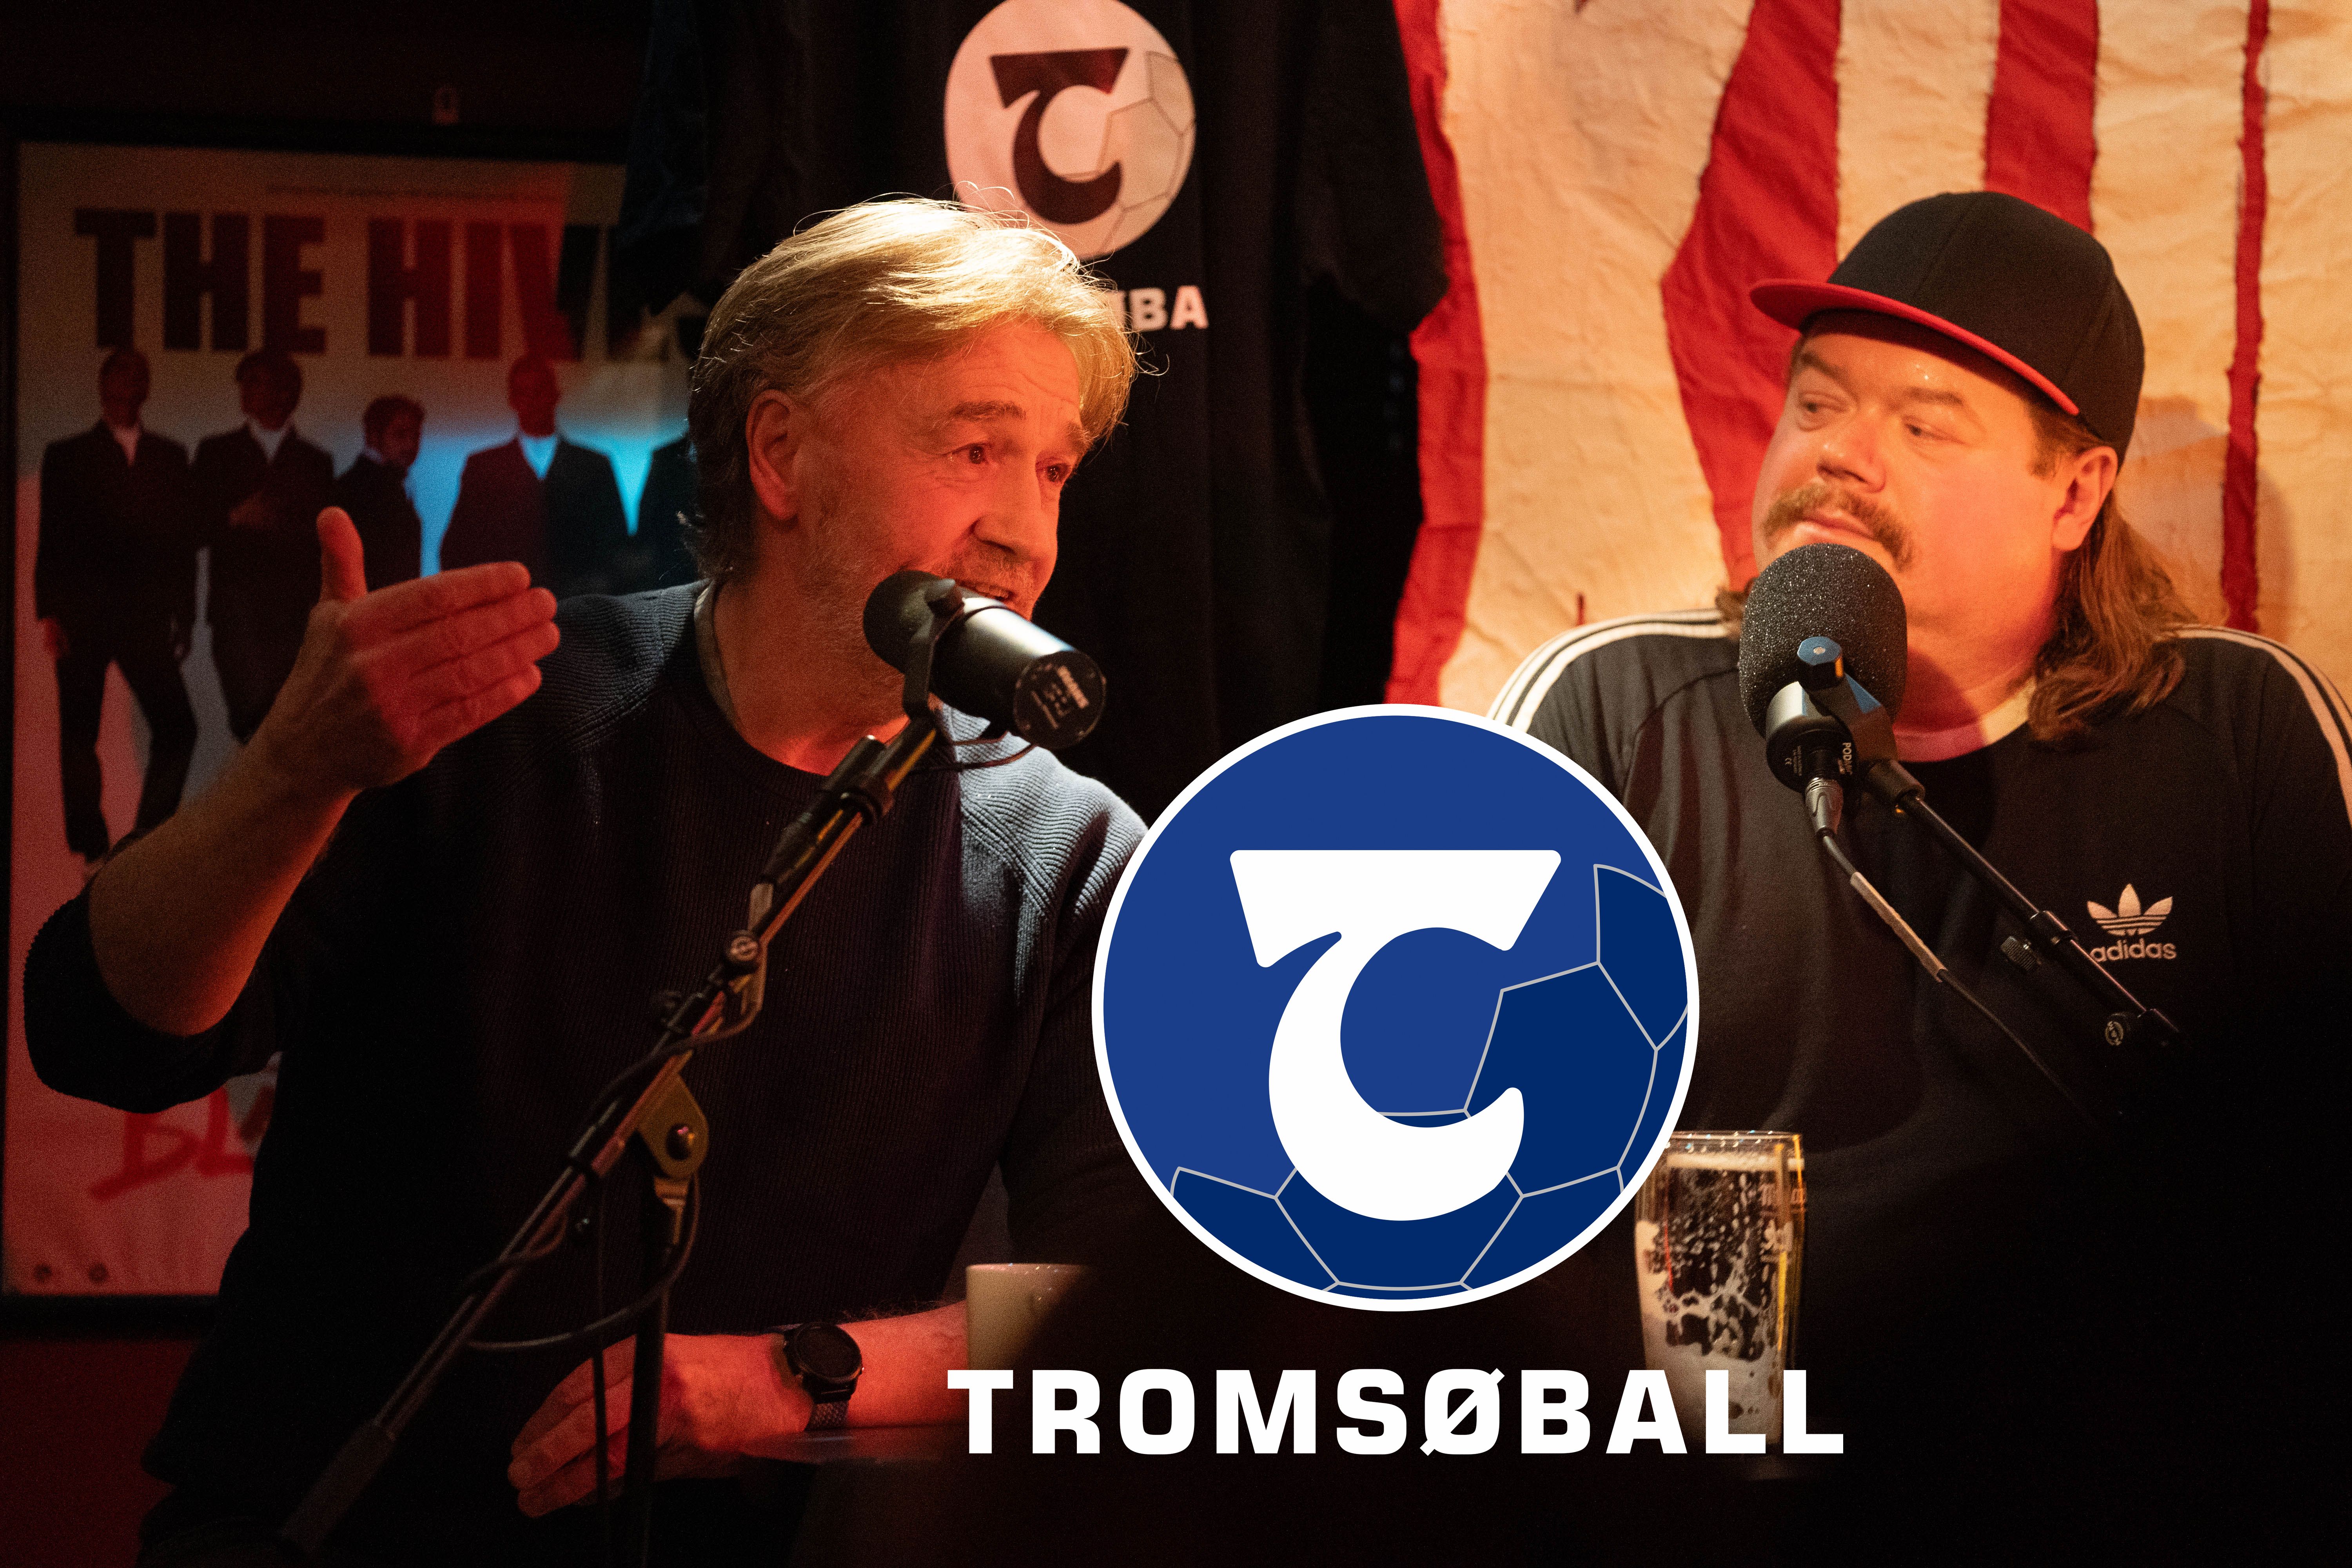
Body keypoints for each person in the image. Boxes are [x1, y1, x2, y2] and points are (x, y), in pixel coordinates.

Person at [26, 199, 1146, 1563]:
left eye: (1053, 469)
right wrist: (289, 778)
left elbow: (1115, 1320)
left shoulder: (1068, 854)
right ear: (781, 454)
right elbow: (100, 1034)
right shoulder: (489, 709)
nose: (1024, 529)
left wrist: (780, 1383)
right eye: (975, 449)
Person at [1491, 192, 2346, 1552]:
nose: (1838, 455)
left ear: (2075, 494)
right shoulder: (1609, 711)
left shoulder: (2239, 730)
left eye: (1923, 424)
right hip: (1715, 1489)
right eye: (1816, 403)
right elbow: (1480, 1188)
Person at [35, 347, 200, 866]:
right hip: (82, 613)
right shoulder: (67, 455)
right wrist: (51, 613)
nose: (132, 382)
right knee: (79, 731)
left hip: (145, 614)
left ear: (147, 387)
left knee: (178, 727)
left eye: (140, 374)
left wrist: (185, 614)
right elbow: (52, 537)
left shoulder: (169, 456)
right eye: (122, 372)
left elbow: (181, 542)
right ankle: (91, 846)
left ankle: (146, 838)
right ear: (103, 384)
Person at [194, 349, 337, 743]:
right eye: (244, 382)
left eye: (256, 382)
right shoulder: (216, 453)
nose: (245, 390)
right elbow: (187, 527)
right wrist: (233, 518)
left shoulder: (315, 462)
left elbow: (322, 540)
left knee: (291, 722)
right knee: (251, 719)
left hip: (294, 616)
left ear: (285, 391)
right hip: (236, 612)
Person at [439, 355, 631, 597]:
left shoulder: (595, 467)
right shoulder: (483, 469)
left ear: (555, 395)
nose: (532, 401)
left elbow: (618, 548)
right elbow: (457, 550)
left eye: (539, 391)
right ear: (513, 401)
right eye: (523, 394)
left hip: (580, 608)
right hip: (508, 607)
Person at [332, 395, 426, 590]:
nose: (411, 444)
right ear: (374, 436)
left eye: (416, 435)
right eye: (400, 434)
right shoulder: (355, 489)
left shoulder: (388, 481)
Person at [630, 430, 701, 591]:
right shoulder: (666, 456)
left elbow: (647, 509)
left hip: (676, 555)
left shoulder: (666, 454)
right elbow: (648, 509)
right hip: (671, 557)